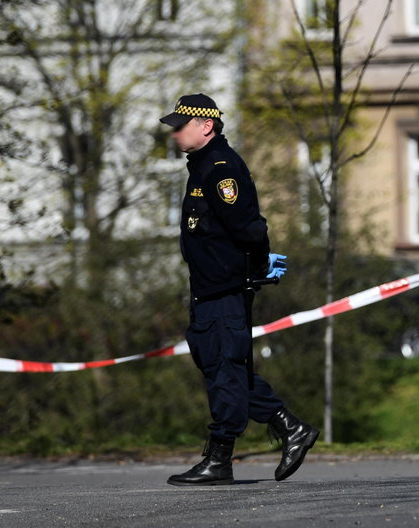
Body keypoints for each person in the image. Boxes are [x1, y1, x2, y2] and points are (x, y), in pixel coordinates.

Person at [160, 93, 319, 486]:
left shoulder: (221, 169)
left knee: (226, 373)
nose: (175, 132)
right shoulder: (201, 167)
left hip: (226, 290)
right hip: (208, 290)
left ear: (206, 126)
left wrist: (255, 267)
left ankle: (219, 457)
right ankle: (290, 428)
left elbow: (250, 230)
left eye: (181, 125)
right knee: (224, 369)